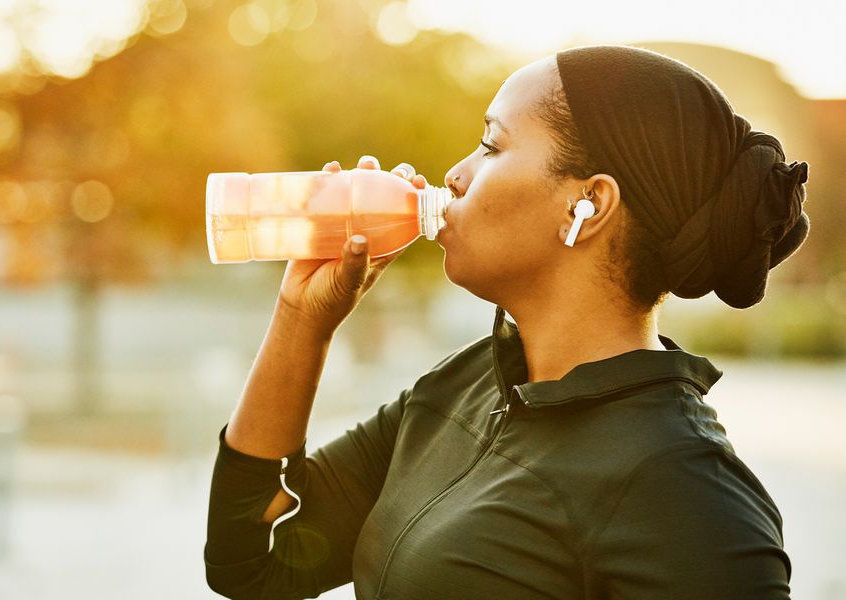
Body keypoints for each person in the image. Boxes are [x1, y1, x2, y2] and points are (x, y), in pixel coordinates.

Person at [204, 45, 808, 599]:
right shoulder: (462, 389)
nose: (455, 175)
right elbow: (253, 562)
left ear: (588, 205)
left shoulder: (685, 488)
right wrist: (302, 319)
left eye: (491, 146)